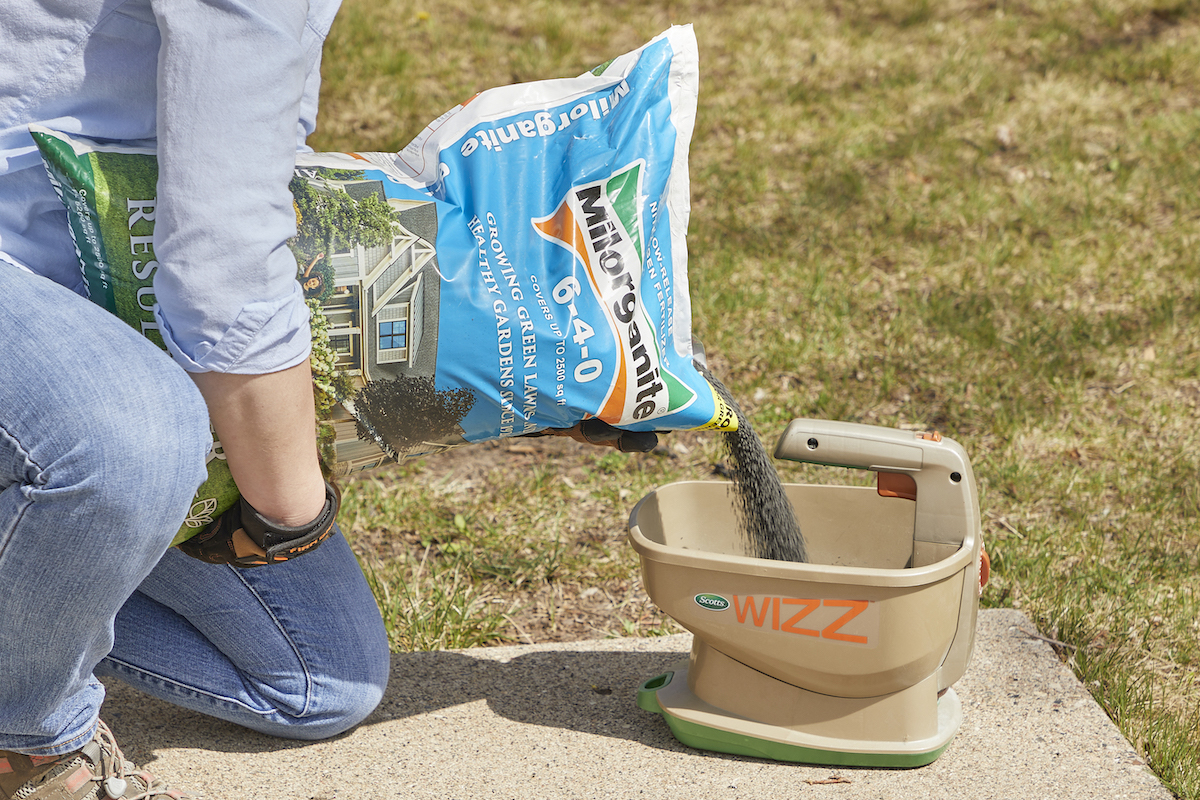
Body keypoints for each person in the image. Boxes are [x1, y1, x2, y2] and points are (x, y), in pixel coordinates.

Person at [0, 2, 391, 797]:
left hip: (78, 262)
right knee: (131, 436)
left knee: (321, 675)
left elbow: (253, 171)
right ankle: (29, 751)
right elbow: (223, 269)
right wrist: (292, 519)